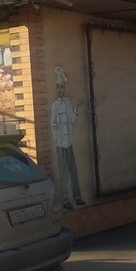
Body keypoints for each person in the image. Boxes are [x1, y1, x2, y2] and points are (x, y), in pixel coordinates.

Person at [50, 77, 85, 209]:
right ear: (56, 89)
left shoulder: (68, 103)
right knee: (63, 173)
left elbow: (73, 121)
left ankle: (77, 197)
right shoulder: (54, 105)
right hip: (60, 144)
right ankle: (65, 200)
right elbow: (53, 124)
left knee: (73, 171)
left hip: (69, 142)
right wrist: (57, 140)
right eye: (58, 87)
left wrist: (76, 108)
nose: (60, 89)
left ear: (64, 88)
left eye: (62, 87)